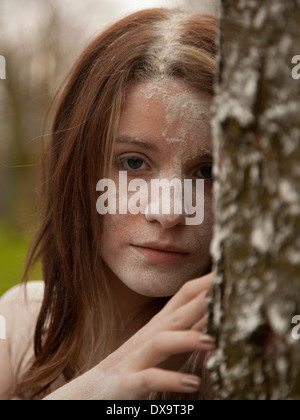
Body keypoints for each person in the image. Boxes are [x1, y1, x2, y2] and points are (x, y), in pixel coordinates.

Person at [0, 8, 217, 400]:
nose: (169, 213)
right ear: (76, 171)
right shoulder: (18, 318)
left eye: (208, 173)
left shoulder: (264, 355)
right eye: (133, 162)